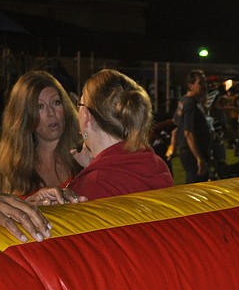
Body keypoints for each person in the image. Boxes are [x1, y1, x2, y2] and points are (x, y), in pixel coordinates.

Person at [35, 69, 172, 201]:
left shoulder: (93, 185)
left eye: (80, 105)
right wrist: (92, 165)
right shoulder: (157, 166)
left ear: (87, 116)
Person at [0, 71, 83, 199]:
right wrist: (31, 203)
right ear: (24, 116)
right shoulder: (9, 167)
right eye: (40, 107)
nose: (51, 113)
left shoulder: (84, 154)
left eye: (56, 102)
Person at [168, 69, 211, 183]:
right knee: (197, 186)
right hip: (193, 152)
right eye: (200, 83)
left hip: (188, 151)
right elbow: (188, 133)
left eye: (205, 82)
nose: (204, 86)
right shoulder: (190, 104)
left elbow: (175, 127)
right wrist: (199, 158)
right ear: (190, 85)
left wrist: (172, 149)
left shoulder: (184, 101)